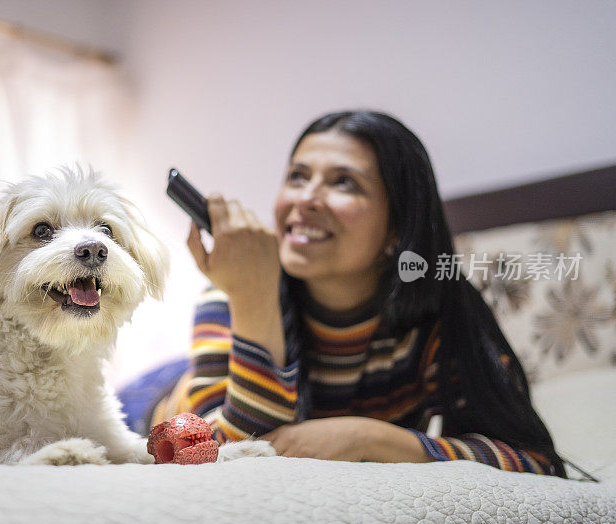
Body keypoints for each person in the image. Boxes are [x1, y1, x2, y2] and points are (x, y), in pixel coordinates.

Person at [148, 110, 565, 476]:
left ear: (397, 228)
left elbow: (534, 461)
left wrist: (371, 439)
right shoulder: (232, 292)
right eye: (297, 176)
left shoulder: (433, 315)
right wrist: (254, 297)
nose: (306, 198)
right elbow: (213, 455)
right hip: (156, 402)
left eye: (343, 182)